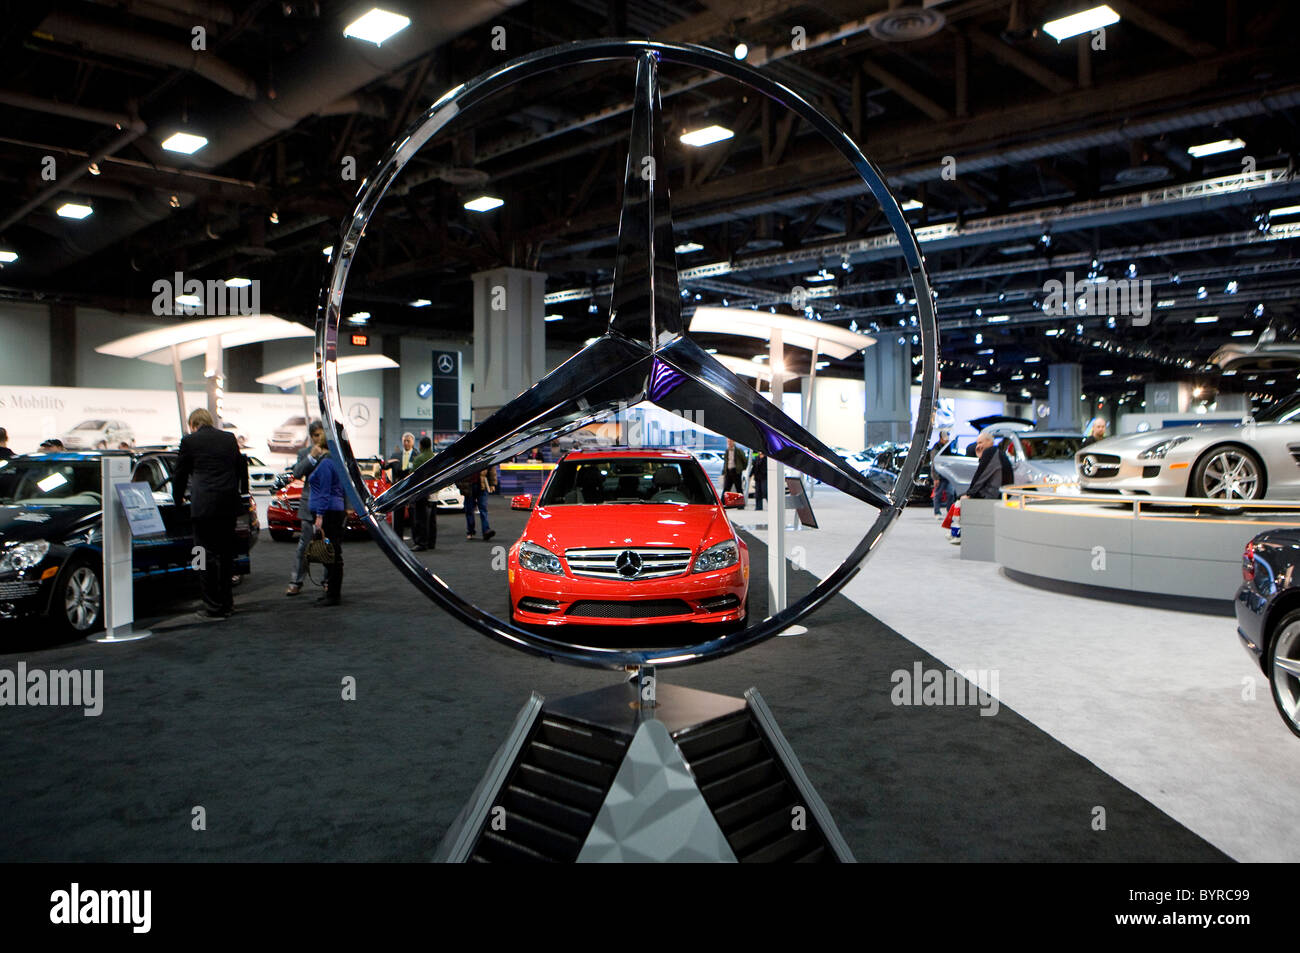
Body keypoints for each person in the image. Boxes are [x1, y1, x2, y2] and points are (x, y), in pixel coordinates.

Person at [173, 408, 247, 619]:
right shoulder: (228, 438)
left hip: (203, 507)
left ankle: (211, 606)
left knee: (202, 556)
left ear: (193, 424)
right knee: (225, 556)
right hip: (227, 506)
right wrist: (241, 494)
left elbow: (180, 475)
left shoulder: (189, 441)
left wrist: (178, 501)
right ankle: (227, 604)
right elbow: (240, 467)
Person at [307, 427, 346, 606]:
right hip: (335, 510)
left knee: (331, 554)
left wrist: (319, 516)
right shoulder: (336, 462)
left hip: (328, 512)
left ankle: (333, 595)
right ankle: (332, 592)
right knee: (332, 552)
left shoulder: (325, 463)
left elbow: (324, 492)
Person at [286, 419, 324, 596]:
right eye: (316, 435)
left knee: (329, 547)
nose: (319, 438)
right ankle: (296, 581)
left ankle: (327, 582)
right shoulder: (304, 453)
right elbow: (297, 473)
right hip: (309, 506)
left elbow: (343, 481)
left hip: (330, 507)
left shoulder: (336, 452)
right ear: (311, 436)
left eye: (321, 434)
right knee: (303, 546)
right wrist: (312, 457)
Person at [382, 432, 417, 541]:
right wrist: (389, 462)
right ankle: (398, 539)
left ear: (413, 442)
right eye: (404, 441)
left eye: (408, 441)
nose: (406, 443)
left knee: (414, 517)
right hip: (398, 490)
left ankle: (417, 540)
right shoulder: (395, 455)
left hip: (412, 489)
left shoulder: (417, 455)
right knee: (398, 516)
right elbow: (385, 466)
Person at [962, 429, 1014, 501]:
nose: (978, 446)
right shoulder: (998, 452)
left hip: (992, 496)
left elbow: (980, 476)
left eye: (980, 443)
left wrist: (969, 494)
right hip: (1002, 494)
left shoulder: (990, 452)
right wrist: (980, 457)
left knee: (961, 499)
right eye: (977, 444)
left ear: (990, 442)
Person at [410, 436, 437, 551]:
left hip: (421, 494)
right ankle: (431, 543)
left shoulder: (419, 458)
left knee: (420, 519)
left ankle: (421, 543)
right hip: (434, 492)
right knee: (432, 520)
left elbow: (413, 476)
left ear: (421, 445)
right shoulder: (435, 457)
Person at [460, 464, 498, 540]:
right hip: (468, 486)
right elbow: (459, 470)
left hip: (481, 485)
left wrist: (492, 484)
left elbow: (491, 467)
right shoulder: (464, 454)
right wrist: (461, 485)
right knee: (469, 510)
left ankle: (486, 531)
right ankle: (470, 531)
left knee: (483, 508)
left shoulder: (482, 453)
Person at [929, 429, 954, 518]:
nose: (947, 439)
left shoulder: (947, 447)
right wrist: (935, 478)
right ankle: (937, 512)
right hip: (939, 475)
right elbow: (934, 464)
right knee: (938, 494)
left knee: (950, 493)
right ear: (941, 438)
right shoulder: (936, 449)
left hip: (948, 475)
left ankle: (949, 512)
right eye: (946, 437)